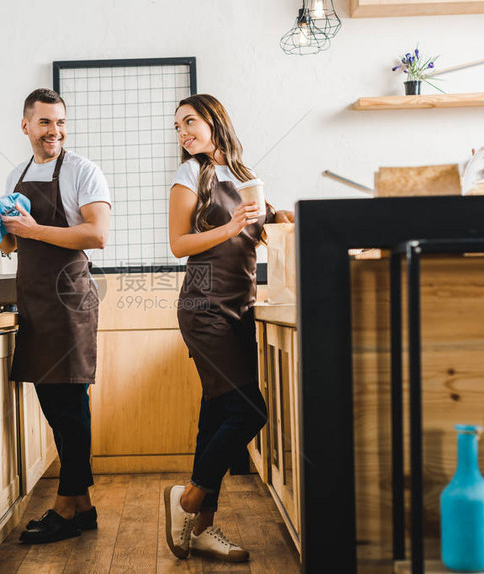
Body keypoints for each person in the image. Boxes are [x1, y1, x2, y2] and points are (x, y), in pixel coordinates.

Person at [163, 94, 293, 562]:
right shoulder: (187, 176)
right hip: (203, 307)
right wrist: (230, 226)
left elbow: (263, 230)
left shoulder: (243, 176)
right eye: (178, 127)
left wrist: (279, 220)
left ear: (215, 122)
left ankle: (201, 529)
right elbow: (179, 243)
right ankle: (188, 499)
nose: (183, 133)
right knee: (249, 411)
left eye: (190, 122)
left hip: (240, 306)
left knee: (217, 414)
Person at [0, 88, 111, 545]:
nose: (55, 131)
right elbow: (15, 242)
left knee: (69, 406)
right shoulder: (17, 173)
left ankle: (66, 508)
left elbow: (97, 234)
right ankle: (83, 508)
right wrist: (7, 235)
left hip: (68, 301)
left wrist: (32, 230)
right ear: (25, 126)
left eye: (60, 122)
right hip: (33, 301)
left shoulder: (83, 171)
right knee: (56, 406)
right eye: (45, 122)